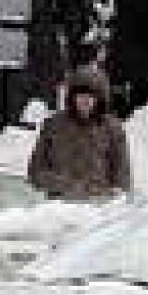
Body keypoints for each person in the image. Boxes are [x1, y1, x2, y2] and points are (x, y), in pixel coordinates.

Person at [29, 67, 131, 202]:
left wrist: (110, 195)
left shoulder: (112, 129)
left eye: (91, 95)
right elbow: (35, 172)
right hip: (57, 206)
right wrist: (63, 184)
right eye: (81, 95)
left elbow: (122, 175)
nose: (86, 100)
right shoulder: (53, 126)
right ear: (72, 96)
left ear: (99, 98)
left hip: (98, 207)